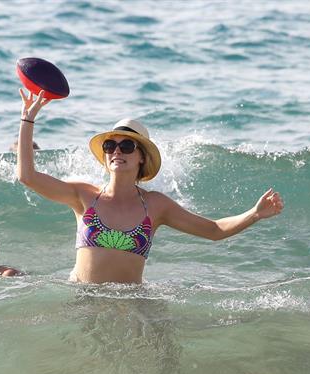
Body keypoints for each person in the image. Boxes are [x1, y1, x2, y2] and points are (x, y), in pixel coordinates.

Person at [16, 90, 284, 284]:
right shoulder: (83, 196)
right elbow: (27, 176)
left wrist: (255, 214)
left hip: (131, 302)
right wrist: (28, 120)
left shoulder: (155, 206)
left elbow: (213, 230)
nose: (116, 151)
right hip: (84, 298)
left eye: (127, 145)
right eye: (110, 146)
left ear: (142, 156)